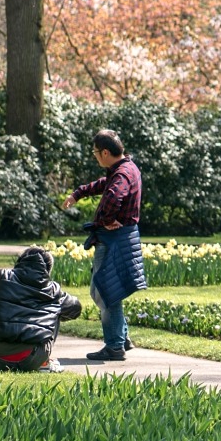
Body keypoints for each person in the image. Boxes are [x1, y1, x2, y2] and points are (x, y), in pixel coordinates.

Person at [62, 129, 146, 361]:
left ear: (106, 152)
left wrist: (106, 220)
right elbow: (105, 185)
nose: (95, 156)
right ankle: (122, 338)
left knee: (105, 292)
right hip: (121, 239)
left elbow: (114, 196)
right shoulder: (125, 168)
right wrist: (78, 193)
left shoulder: (121, 175)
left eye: (95, 152)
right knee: (106, 290)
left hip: (114, 240)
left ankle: (115, 346)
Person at [0, 238, 81, 371]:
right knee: (58, 309)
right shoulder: (54, 291)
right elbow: (76, 308)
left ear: (20, 262)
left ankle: (39, 359)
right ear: (47, 269)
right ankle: (44, 362)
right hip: (33, 358)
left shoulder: (2, 277)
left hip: (0, 358)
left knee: (57, 308)